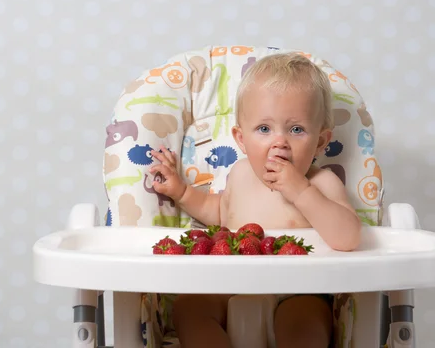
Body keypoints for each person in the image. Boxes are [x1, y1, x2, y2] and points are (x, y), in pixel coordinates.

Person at [148, 52, 363, 348]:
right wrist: (181, 192)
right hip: (229, 282)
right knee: (189, 309)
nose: (279, 142)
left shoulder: (321, 183)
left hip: (298, 290)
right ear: (240, 138)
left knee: (306, 325)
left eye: (296, 129)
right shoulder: (239, 174)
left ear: (321, 141)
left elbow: (349, 237)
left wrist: (301, 191)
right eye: (264, 129)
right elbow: (219, 212)